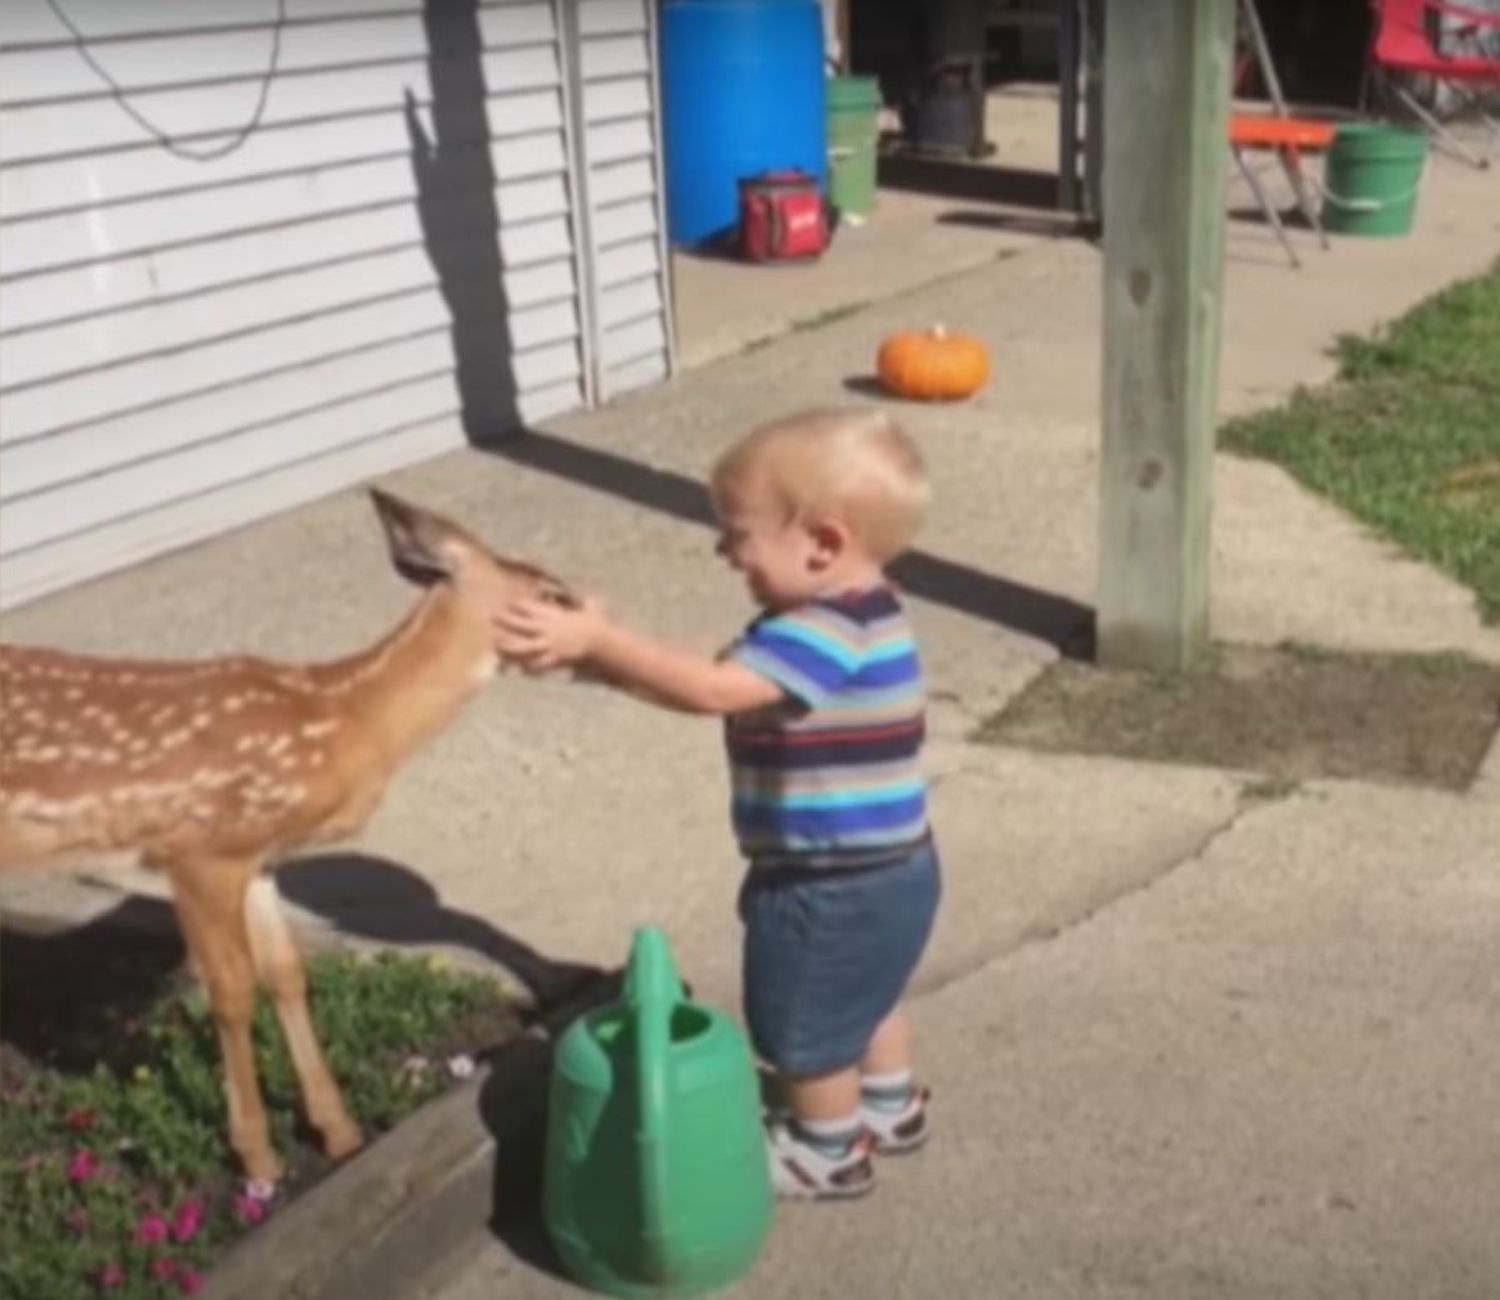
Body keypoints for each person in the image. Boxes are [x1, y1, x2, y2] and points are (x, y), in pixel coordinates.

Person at [493, 407, 941, 1200]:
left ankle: (826, 1149)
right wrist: (599, 664)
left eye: (739, 534)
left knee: (803, 1027)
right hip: (895, 866)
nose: (722, 549)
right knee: (865, 996)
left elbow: (709, 690)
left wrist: (603, 644)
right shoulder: (862, 614)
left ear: (822, 543)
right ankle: (888, 1104)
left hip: (827, 883)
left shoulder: (822, 632)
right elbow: (721, 691)